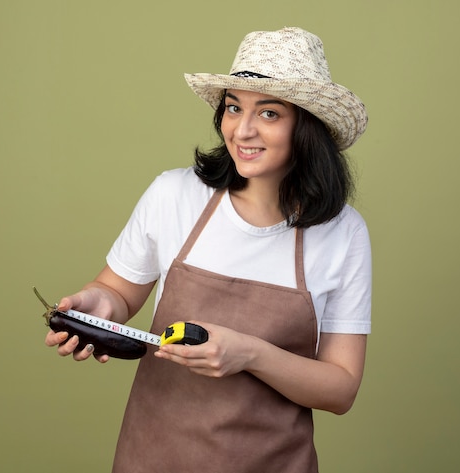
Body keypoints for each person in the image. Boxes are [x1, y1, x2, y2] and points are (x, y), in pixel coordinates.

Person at [45, 26, 371, 473]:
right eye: (234, 107)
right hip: (153, 458)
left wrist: (250, 353)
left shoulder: (343, 233)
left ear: (306, 126)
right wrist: (92, 306)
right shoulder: (174, 195)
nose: (243, 129)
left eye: (270, 113)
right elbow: (117, 293)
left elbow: (341, 389)